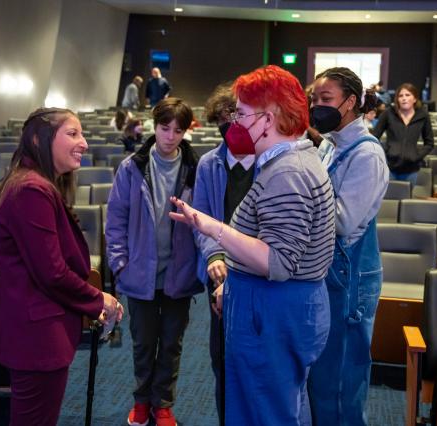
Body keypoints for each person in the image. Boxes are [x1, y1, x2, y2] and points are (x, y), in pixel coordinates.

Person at [171, 65, 335, 425]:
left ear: (268, 118)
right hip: (275, 308)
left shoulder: (288, 171)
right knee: (281, 407)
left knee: (268, 413)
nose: (236, 124)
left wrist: (212, 227)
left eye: (242, 114)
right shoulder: (290, 161)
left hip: (274, 312)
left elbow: (276, 262)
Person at [0, 107, 122, 426]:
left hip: (37, 328)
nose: (83, 143)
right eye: (72, 134)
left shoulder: (34, 184)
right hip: (37, 335)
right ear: (37, 139)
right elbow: (52, 272)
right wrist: (100, 299)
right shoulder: (32, 189)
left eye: (82, 134)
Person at [106, 98, 202, 426]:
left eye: (178, 130)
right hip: (140, 272)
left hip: (179, 273)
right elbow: (116, 219)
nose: (170, 136)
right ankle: (141, 401)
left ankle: (163, 403)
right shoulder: (132, 167)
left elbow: (205, 220)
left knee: (172, 344)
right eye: (165, 128)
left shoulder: (195, 169)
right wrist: (119, 264)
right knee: (143, 343)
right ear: (154, 126)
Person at [307, 67, 389, 426]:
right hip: (327, 273)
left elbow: (341, 221)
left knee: (342, 379)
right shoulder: (329, 143)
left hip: (349, 277)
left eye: (326, 100)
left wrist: (302, 193)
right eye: (314, 99)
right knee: (322, 374)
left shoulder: (367, 154)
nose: (317, 106)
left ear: (350, 102)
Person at [191, 82, 255, 424]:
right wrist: (214, 257)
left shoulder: (269, 162)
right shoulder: (208, 165)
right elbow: (201, 219)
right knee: (223, 359)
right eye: (225, 124)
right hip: (219, 273)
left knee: (255, 360)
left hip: (258, 274)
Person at [372, 83, 434, 186]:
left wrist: (417, 155)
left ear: (414, 99)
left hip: (411, 170)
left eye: (408, 95)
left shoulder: (423, 116)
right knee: (388, 201)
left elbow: (429, 143)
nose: (404, 98)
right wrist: (385, 153)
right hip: (389, 168)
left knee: (406, 199)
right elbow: (374, 138)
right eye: (401, 96)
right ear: (397, 99)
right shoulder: (388, 113)